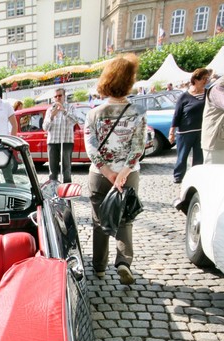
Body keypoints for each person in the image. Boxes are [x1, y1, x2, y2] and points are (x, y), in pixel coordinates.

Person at [84, 54, 146, 285]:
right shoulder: (137, 111)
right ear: (129, 80)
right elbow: (138, 147)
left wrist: (108, 172)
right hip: (128, 175)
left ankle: (99, 267)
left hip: (100, 175)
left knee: (99, 221)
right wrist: (122, 173)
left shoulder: (94, 113)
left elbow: (91, 147)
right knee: (125, 219)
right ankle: (123, 262)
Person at [168, 68, 211, 183]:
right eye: (203, 79)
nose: (206, 81)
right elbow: (176, 115)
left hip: (202, 131)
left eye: (207, 78)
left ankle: (196, 177)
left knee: (199, 157)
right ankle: (178, 176)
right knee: (182, 156)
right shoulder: (184, 96)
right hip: (185, 132)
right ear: (195, 80)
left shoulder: (208, 94)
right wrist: (171, 132)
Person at [43, 87, 77, 184]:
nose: (58, 98)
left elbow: (74, 121)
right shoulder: (50, 110)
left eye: (60, 95)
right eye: (56, 96)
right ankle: (53, 189)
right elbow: (45, 128)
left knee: (66, 169)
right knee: (52, 169)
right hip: (52, 142)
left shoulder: (71, 107)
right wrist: (52, 116)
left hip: (66, 141)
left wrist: (64, 111)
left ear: (64, 96)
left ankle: (66, 189)